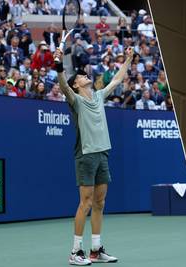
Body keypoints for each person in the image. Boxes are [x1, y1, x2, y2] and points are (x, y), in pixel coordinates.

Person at [54, 43, 134, 265]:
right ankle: (75, 252)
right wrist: (59, 65)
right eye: (80, 76)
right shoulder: (76, 100)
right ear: (76, 85)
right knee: (85, 203)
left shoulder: (98, 96)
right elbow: (63, 86)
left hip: (102, 155)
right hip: (86, 156)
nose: (84, 76)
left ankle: (96, 250)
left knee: (100, 202)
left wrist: (128, 60)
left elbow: (117, 79)